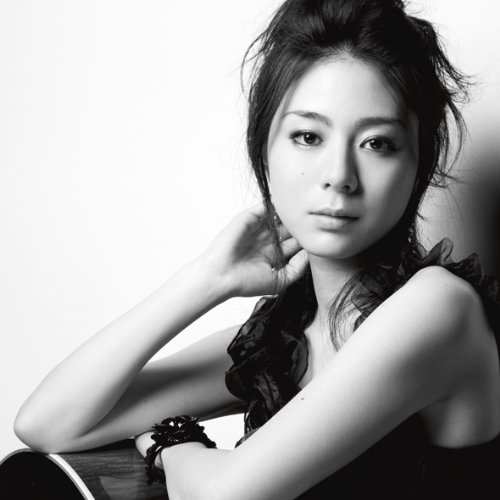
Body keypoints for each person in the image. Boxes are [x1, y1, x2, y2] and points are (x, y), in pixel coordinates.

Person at [14, 0, 500, 498]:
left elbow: (223, 496)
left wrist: (171, 441)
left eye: (377, 143)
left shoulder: (439, 309)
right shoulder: (285, 338)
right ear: (264, 151)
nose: (339, 176)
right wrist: (208, 278)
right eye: (308, 136)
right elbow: (48, 424)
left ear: (418, 165)